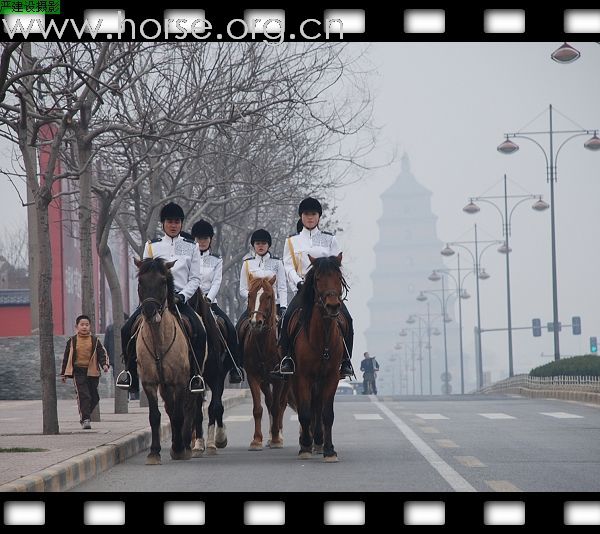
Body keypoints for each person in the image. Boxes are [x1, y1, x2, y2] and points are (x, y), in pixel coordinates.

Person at [116, 202, 206, 394]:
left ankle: (196, 376)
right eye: (169, 221)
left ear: (181, 224)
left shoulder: (191, 247)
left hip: (179, 300)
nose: (173, 225)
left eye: (177, 222)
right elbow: (144, 275)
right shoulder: (152, 246)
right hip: (154, 300)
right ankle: (130, 373)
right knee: (126, 330)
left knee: (200, 330)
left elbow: (195, 278)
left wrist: (183, 296)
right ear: (163, 223)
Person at [275, 197, 354, 378]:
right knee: (287, 317)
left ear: (319, 217)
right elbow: (287, 266)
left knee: (348, 319)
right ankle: (287, 358)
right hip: (303, 291)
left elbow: (337, 266)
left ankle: (346, 361)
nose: (310, 218)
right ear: (301, 217)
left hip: (326, 292)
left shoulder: (329, 239)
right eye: (306, 214)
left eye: (313, 214)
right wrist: (298, 282)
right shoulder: (292, 241)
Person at [191, 219, 244, 384]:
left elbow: (216, 282)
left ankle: (234, 367)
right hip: (190, 301)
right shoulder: (188, 258)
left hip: (208, 301)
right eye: (199, 239)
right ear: (194, 240)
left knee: (230, 328)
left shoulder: (216, 259)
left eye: (205, 239)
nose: (202, 242)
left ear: (210, 240)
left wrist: (208, 298)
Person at [60, 315, 110, 429]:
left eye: (86, 325)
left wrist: (105, 365)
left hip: (92, 372)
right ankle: (85, 419)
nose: (84, 327)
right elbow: (66, 357)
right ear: (76, 327)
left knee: (94, 397)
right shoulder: (72, 341)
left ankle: (85, 413)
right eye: (82, 325)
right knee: (84, 395)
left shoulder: (95, 340)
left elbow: (102, 354)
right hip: (78, 372)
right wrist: (64, 373)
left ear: (90, 327)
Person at [238, 228, 288, 329]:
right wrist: (254, 296)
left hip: (273, 305)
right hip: (253, 307)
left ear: (268, 245)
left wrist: (283, 306)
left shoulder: (277, 262)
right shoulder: (247, 263)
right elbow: (242, 289)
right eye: (258, 243)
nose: (261, 246)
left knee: (287, 330)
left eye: (264, 243)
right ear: (253, 245)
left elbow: (282, 287)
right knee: (237, 328)